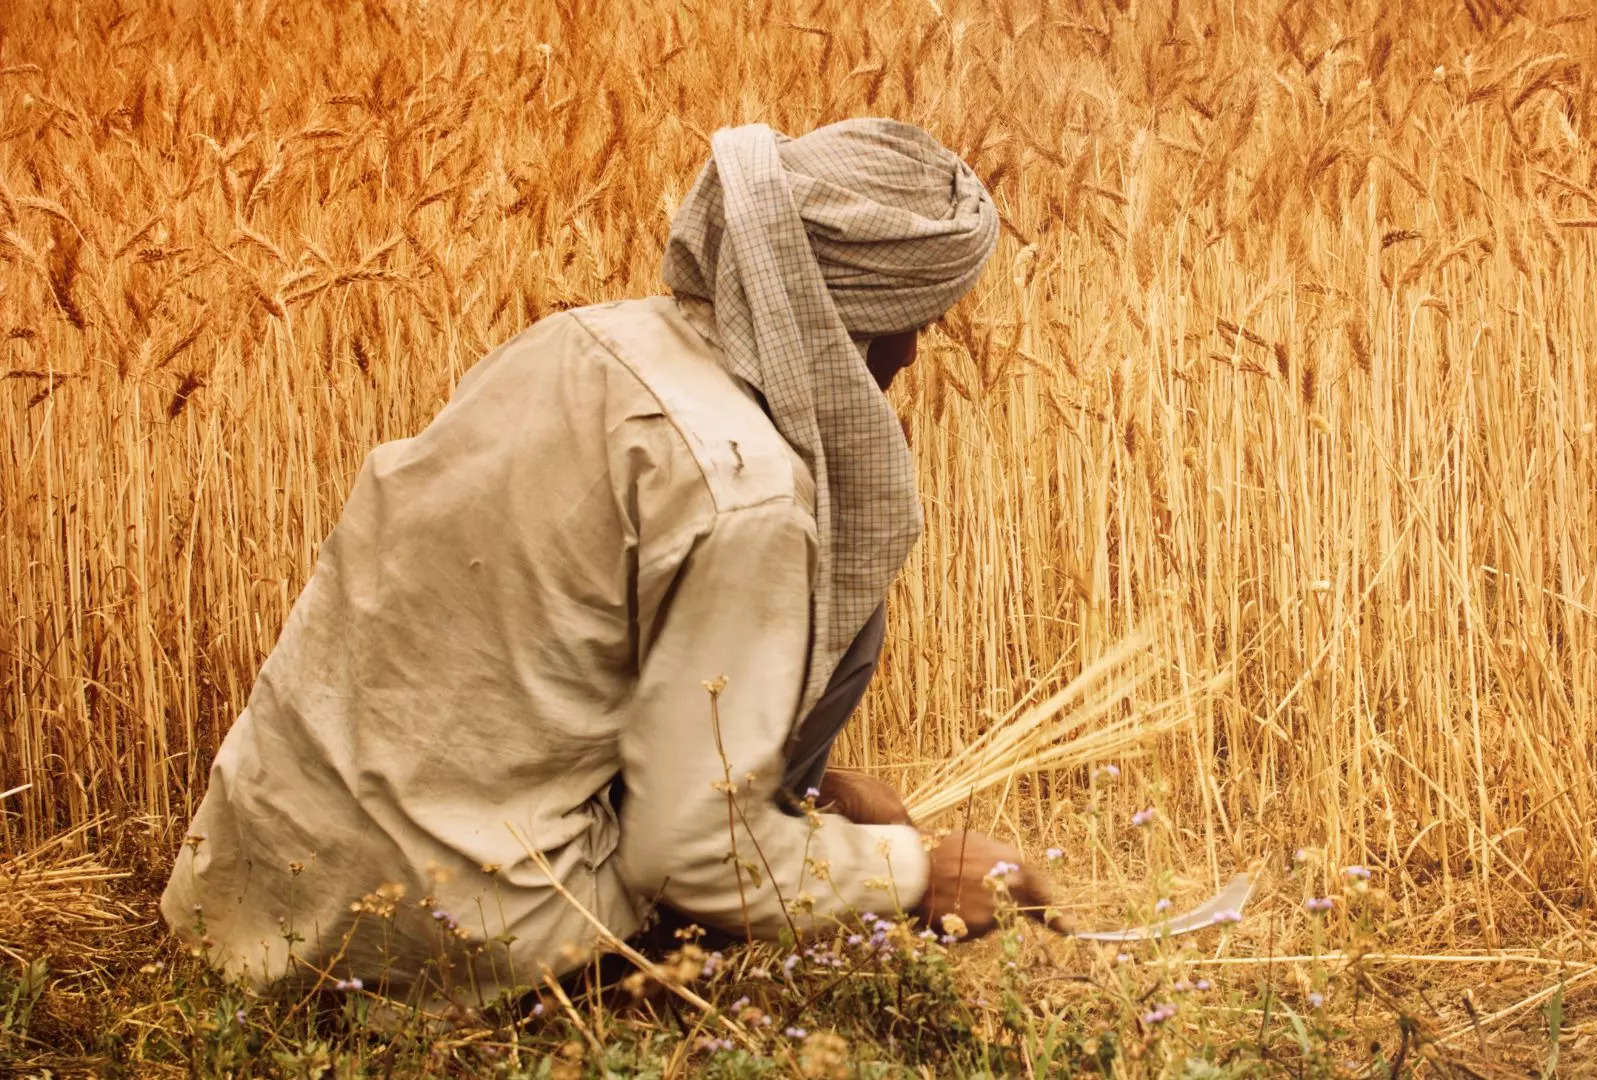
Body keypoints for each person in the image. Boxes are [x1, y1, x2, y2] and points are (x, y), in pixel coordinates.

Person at [160, 118, 1062, 1007]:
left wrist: (806, 794)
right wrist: (915, 874)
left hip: (254, 882)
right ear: (843, 320)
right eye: (913, 323)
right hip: (456, 932)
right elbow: (693, 860)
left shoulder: (581, 340)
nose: (910, 354)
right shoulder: (746, 495)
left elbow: (531, 659)